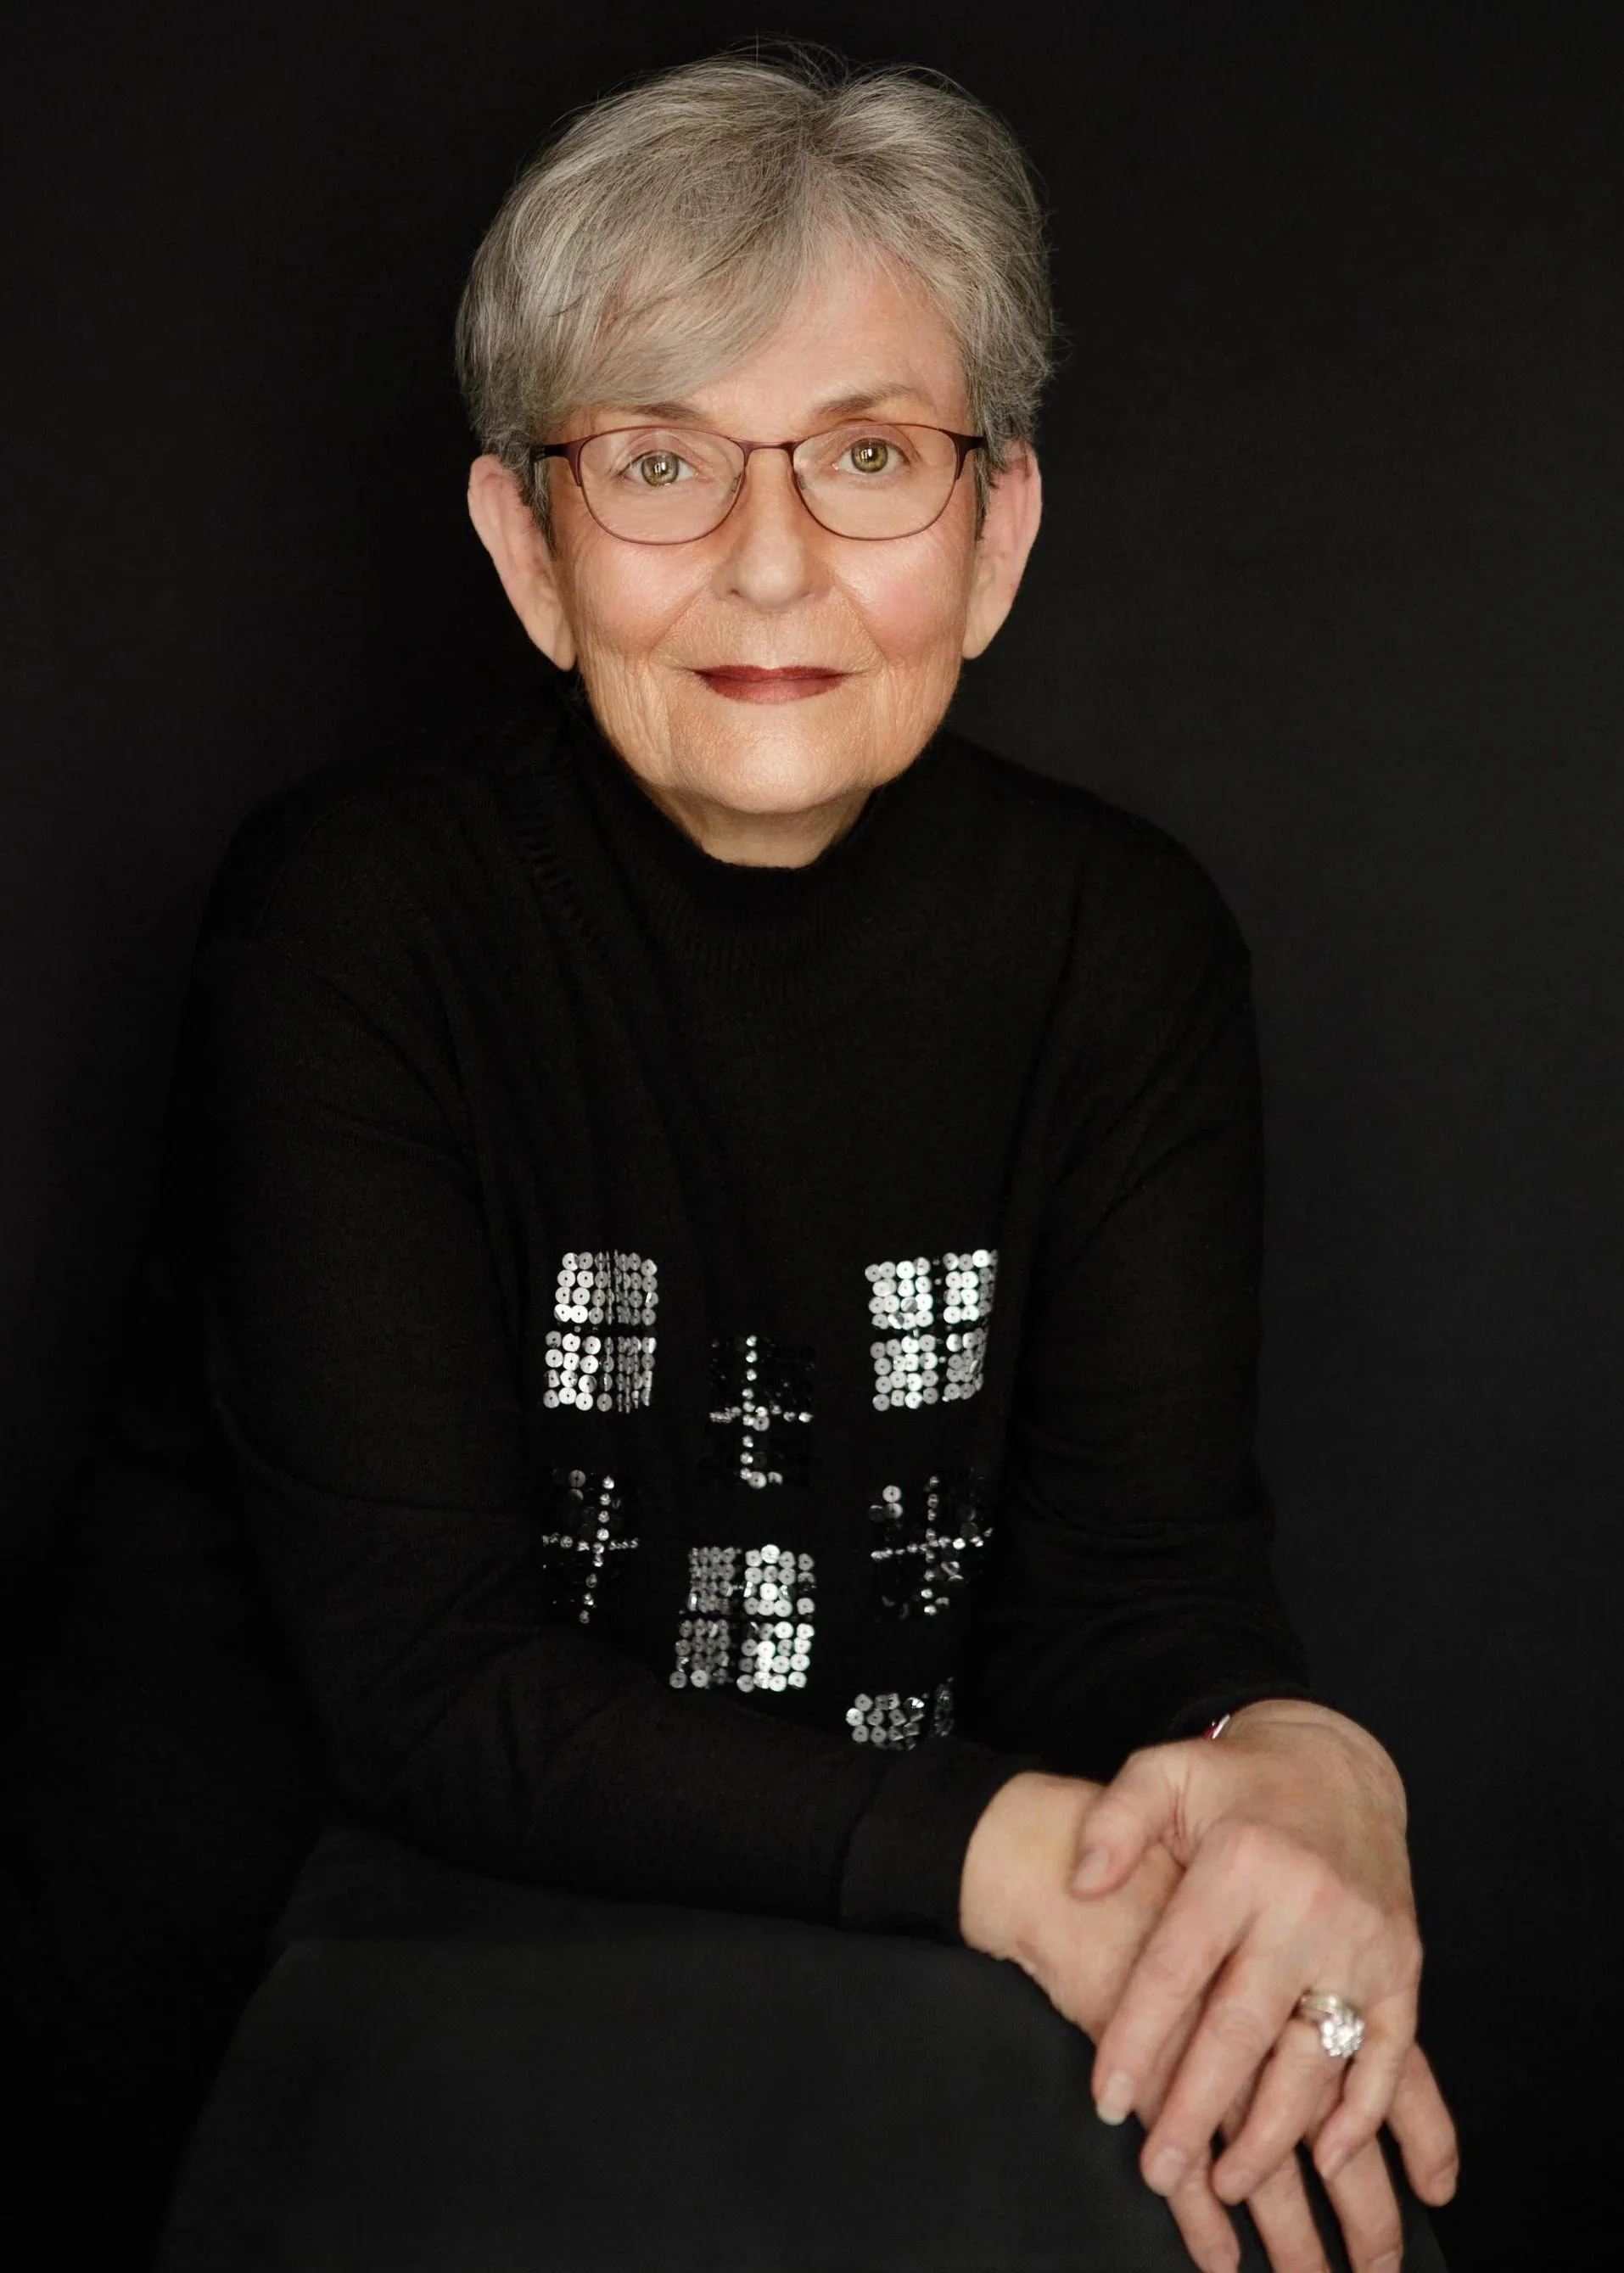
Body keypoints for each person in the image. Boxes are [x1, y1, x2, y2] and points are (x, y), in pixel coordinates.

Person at [8, 44, 1458, 2273]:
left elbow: (1132, 1593)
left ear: (996, 533)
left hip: (864, 1995)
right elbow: (431, 1682)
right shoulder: (351, 918)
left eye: (871, 456)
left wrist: (1299, 1759)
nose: (771, 564)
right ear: (527, 543)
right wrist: (1018, 1862)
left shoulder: (1124, 945)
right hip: (304, 1997)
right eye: (663, 462)